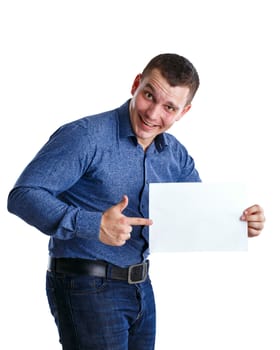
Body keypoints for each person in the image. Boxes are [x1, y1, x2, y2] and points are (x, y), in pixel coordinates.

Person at [7, 53, 265, 350]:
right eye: (149, 96)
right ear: (136, 84)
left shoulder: (174, 154)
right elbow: (23, 195)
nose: (153, 114)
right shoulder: (86, 136)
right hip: (86, 285)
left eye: (169, 107)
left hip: (141, 286)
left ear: (184, 111)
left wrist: (237, 223)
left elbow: (194, 212)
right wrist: (93, 224)